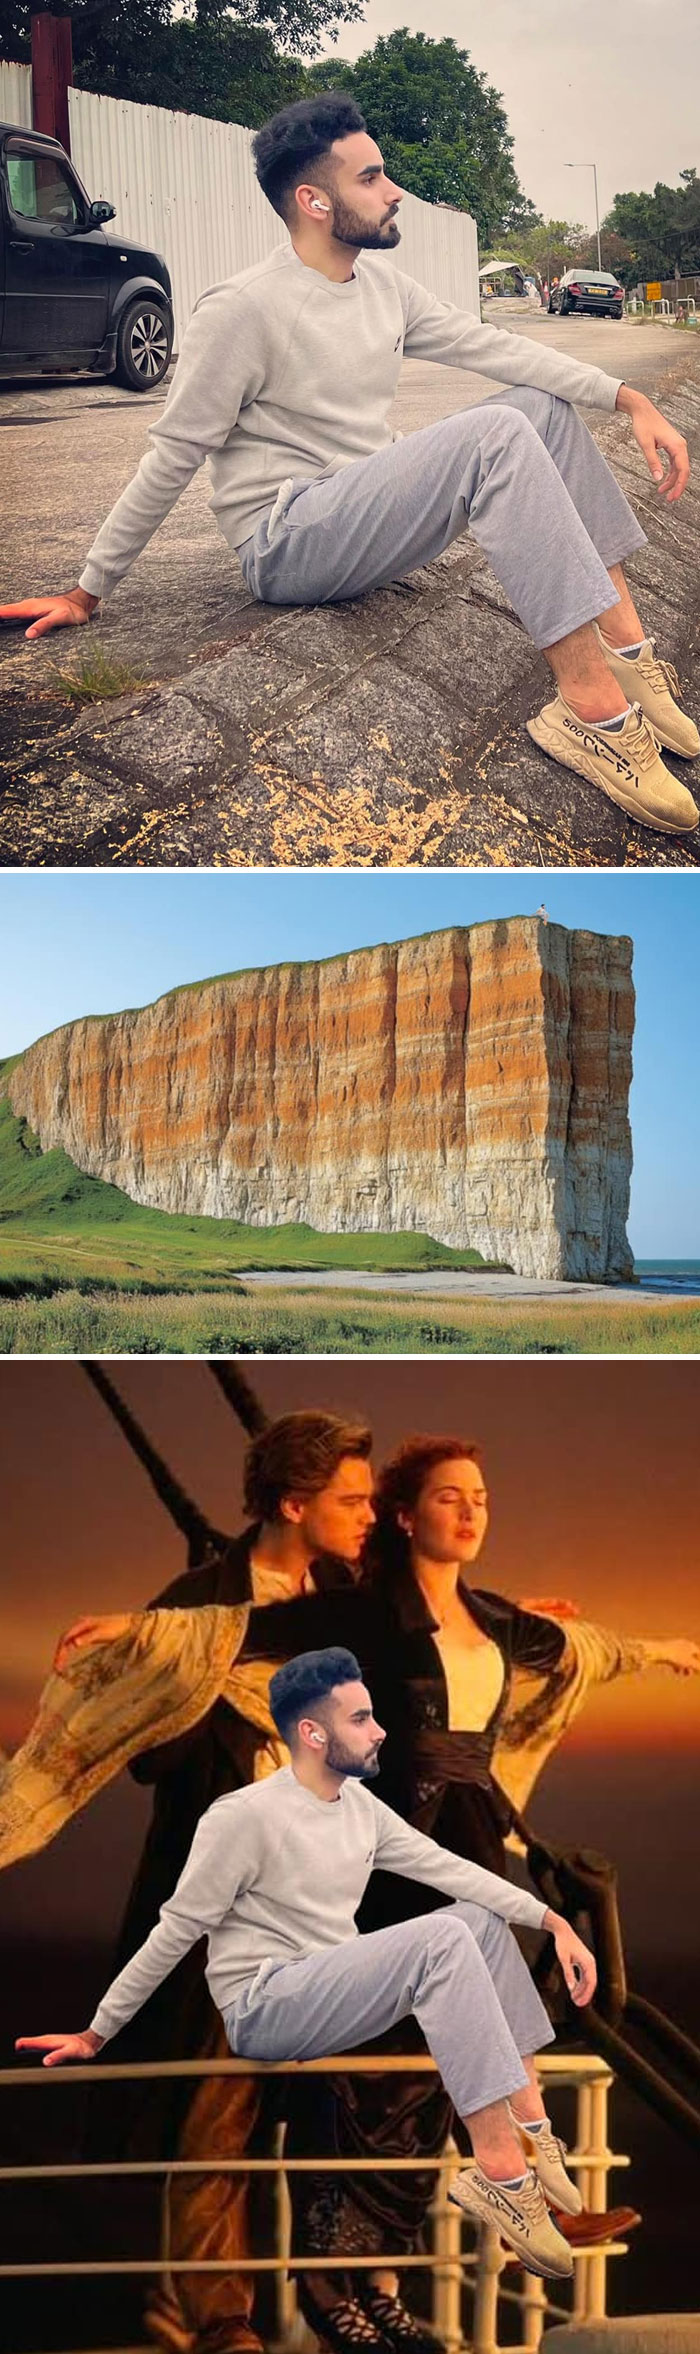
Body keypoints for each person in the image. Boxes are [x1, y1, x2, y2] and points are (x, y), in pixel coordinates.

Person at [1, 92, 697, 834]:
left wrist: (626, 397)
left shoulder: (383, 288)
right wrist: (87, 591)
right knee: (495, 434)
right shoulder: (242, 308)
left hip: (361, 508)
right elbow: (173, 456)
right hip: (288, 538)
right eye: (370, 179)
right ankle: (590, 713)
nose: (394, 192)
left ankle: (628, 653)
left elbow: (495, 347)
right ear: (314, 200)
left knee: (540, 409)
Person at [16, 1646, 597, 2289]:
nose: (379, 1732)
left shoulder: (360, 1808)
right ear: (313, 1733)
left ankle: (536, 2135)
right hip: (265, 2006)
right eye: (361, 1719)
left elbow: (449, 1869)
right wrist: (97, 2031)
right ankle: (502, 2177)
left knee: (478, 1923)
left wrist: (552, 1921)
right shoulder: (242, 1818)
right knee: (443, 1940)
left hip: (330, 1985)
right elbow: (175, 1929)